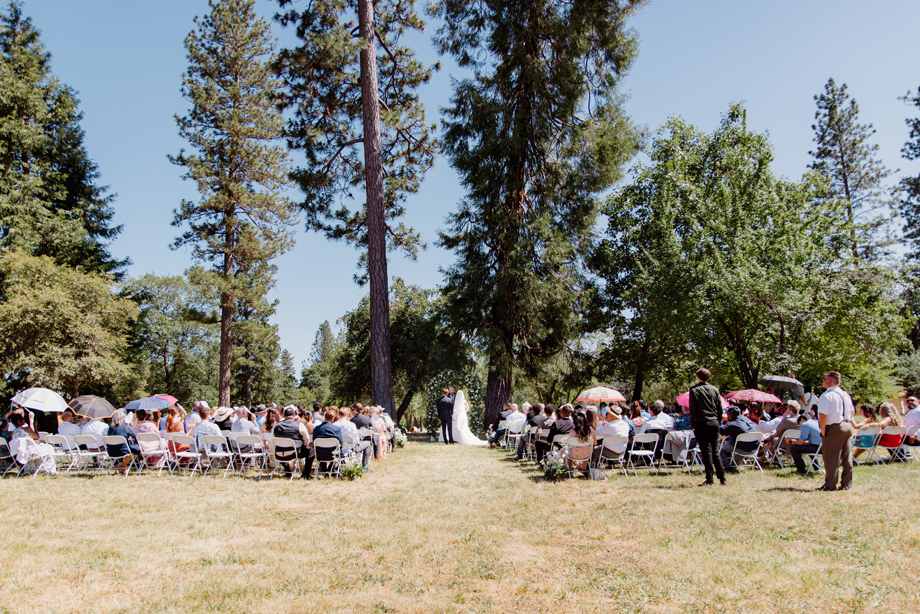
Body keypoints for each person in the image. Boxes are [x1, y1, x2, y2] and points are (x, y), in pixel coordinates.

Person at [817, 371, 856, 491]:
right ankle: (846, 483)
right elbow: (852, 411)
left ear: (829, 382)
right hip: (847, 424)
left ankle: (830, 484)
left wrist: (822, 429)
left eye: (824, 379)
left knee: (831, 457)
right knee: (846, 456)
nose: (823, 381)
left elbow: (823, 415)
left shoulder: (826, 395)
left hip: (834, 426)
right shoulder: (845, 394)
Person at [688, 368, 726, 486]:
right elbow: (720, 409)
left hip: (701, 423)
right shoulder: (715, 389)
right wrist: (718, 421)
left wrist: (693, 425)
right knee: (715, 451)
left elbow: (693, 410)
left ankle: (710, 479)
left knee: (706, 452)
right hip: (714, 422)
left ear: (697, 377)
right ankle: (722, 478)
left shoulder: (694, 390)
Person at [272, 406, 314, 478]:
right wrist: (303, 446)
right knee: (311, 451)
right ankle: (305, 474)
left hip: (278, 453)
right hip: (294, 453)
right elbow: (306, 439)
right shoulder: (299, 425)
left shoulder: (275, 426)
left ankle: (287, 470)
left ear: (284, 415)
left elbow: (273, 440)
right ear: (294, 415)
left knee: (283, 448)